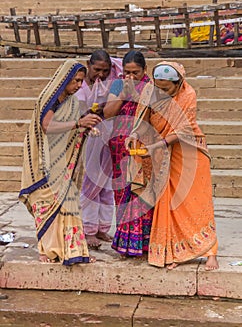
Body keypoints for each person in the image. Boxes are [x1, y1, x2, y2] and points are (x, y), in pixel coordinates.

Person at [125, 61, 219, 270]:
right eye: (158, 87)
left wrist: (157, 145)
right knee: (170, 204)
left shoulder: (188, 95)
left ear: (178, 84)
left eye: (166, 89)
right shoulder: (151, 91)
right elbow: (143, 119)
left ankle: (211, 252)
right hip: (163, 156)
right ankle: (174, 252)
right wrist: (134, 134)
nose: (161, 92)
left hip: (189, 154)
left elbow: (184, 130)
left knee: (196, 203)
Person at [19, 59, 102, 265]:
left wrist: (86, 127)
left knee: (69, 203)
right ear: (64, 80)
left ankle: (73, 250)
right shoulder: (49, 99)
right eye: (75, 81)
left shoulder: (71, 102)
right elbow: (47, 126)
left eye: (81, 81)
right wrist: (78, 123)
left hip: (61, 162)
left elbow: (70, 127)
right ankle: (45, 250)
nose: (79, 86)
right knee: (45, 204)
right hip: (43, 163)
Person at [104, 50, 153, 257]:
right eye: (127, 72)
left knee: (143, 191)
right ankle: (126, 242)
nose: (131, 77)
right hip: (120, 146)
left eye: (136, 72)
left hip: (145, 145)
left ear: (145, 70)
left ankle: (146, 241)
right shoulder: (117, 84)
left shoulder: (152, 86)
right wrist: (124, 93)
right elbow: (107, 113)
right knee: (123, 191)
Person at [75, 49, 123, 249]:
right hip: (89, 138)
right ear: (88, 65)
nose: (101, 75)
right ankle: (88, 231)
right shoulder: (80, 84)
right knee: (91, 184)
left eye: (105, 71)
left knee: (107, 186)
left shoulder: (114, 77)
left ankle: (103, 228)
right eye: (97, 70)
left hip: (109, 135)